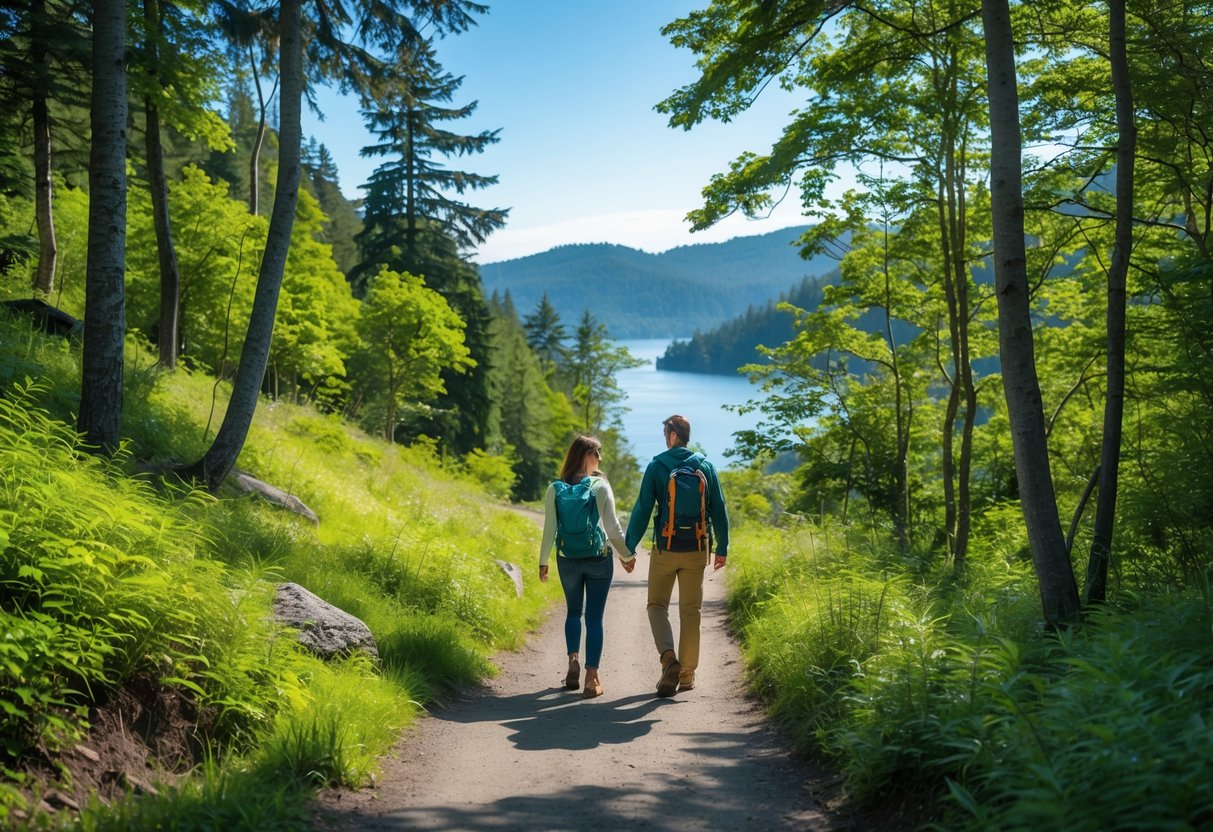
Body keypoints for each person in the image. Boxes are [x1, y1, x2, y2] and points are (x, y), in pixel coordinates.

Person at [625, 414, 729, 697]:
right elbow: (719, 508)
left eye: (665, 432)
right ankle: (686, 673)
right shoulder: (705, 466)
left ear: (672, 435)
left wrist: (628, 548)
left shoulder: (657, 466)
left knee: (657, 604)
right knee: (690, 612)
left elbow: (643, 508)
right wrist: (722, 548)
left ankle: (668, 658)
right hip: (696, 549)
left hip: (666, 549)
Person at [539, 435, 636, 698]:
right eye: (597, 453)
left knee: (573, 611)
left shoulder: (555, 488)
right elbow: (613, 528)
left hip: (567, 558)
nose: (600, 459)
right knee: (594, 618)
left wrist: (543, 560)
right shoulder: (599, 485)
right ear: (587, 455)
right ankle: (591, 678)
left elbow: (550, 528)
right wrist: (627, 555)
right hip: (597, 559)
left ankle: (573, 660)